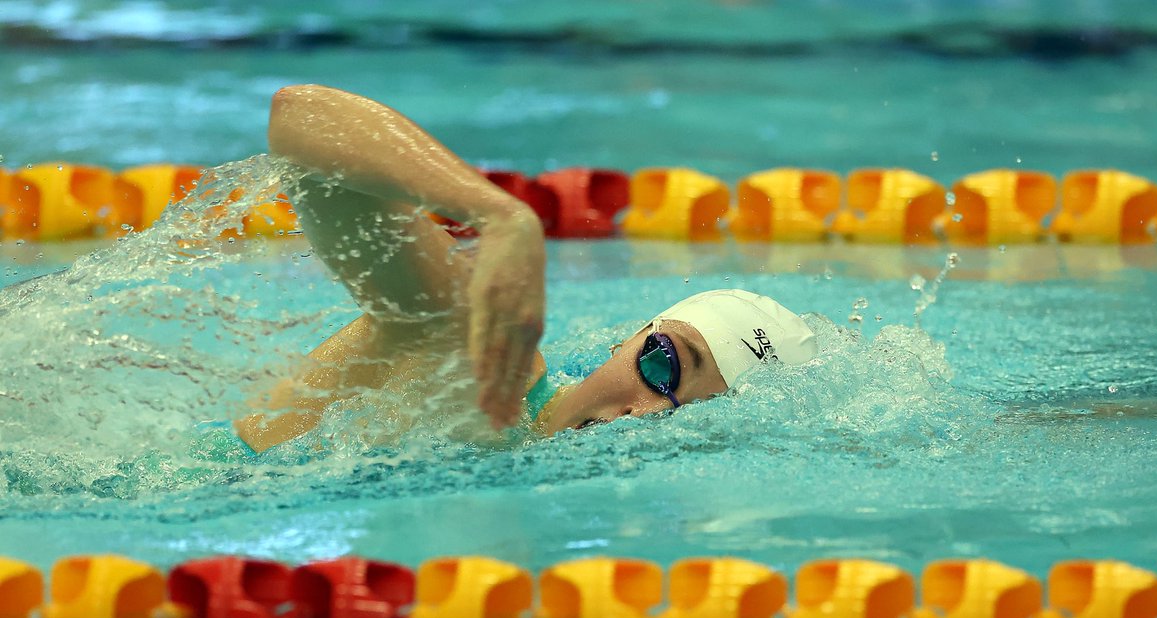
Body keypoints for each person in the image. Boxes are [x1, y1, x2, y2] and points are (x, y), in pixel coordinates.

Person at [234, 85, 817, 453]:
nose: (641, 415)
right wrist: (504, 216)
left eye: (694, 419)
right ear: (630, 338)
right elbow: (301, 119)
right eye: (662, 365)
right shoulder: (465, 346)